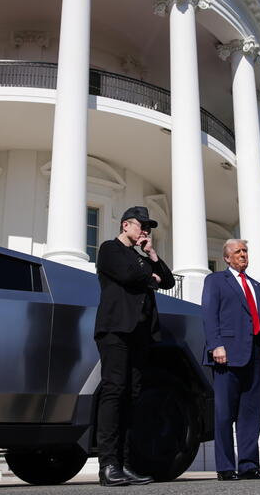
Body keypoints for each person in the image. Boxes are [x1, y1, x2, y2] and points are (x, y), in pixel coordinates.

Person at [94, 206, 175, 486]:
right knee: (114, 392)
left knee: (133, 397)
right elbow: (129, 276)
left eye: (148, 227)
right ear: (126, 225)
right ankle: (108, 465)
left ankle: (125, 464)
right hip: (116, 330)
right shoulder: (109, 249)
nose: (145, 231)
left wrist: (152, 255)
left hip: (141, 334)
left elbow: (168, 280)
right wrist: (148, 275)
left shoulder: (140, 257)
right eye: (141, 225)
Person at [201, 238, 260, 481]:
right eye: (238, 251)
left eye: (245, 250)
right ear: (226, 257)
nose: (243, 255)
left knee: (250, 414)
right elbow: (210, 314)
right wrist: (215, 345)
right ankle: (225, 467)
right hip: (226, 354)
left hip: (254, 355)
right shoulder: (215, 280)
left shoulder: (257, 286)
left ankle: (248, 465)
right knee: (224, 413)